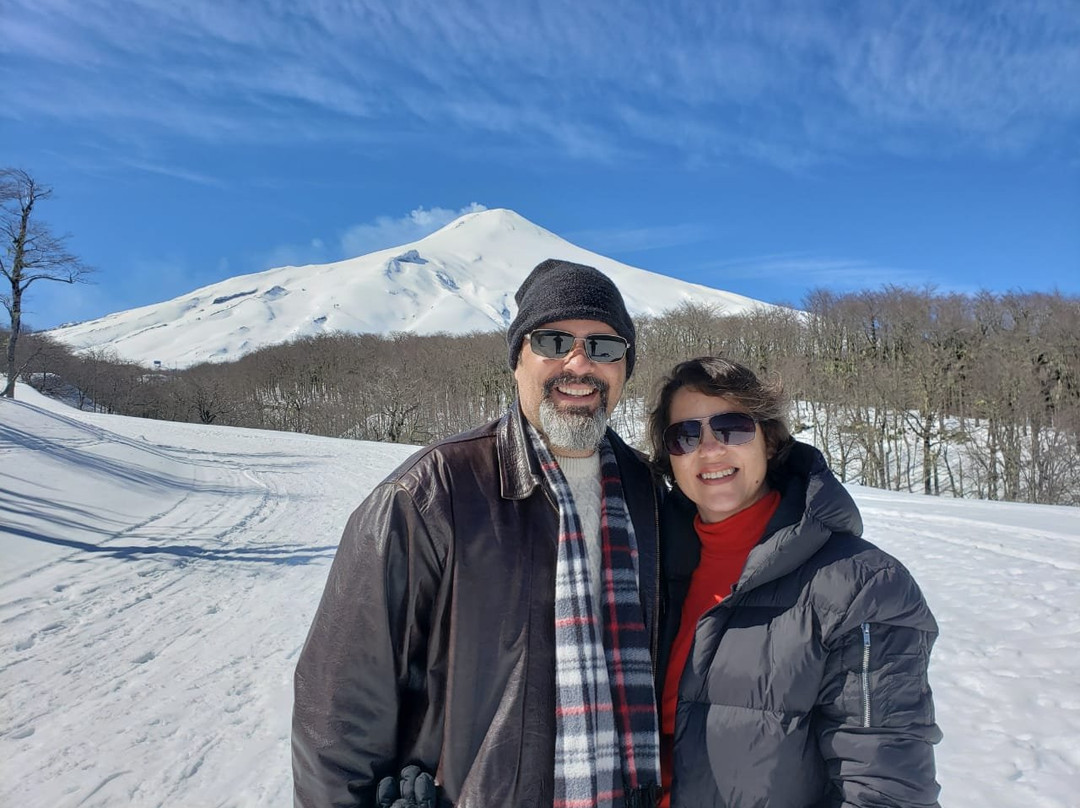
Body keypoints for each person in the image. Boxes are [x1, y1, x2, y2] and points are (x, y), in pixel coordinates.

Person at [293, 259, 663, 808]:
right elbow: (338, 712)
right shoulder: (431, 493)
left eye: (605, 347)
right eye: (554, 340)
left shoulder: (648, 491)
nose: (579, 363)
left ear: (625, 369)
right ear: (516, 360)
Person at [648, 356, 941, 808]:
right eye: (685, 436)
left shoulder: (861, 587)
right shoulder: (643, 566)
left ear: (769, 439)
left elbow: (883, 789)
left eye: (732, 428)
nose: (709, 450)